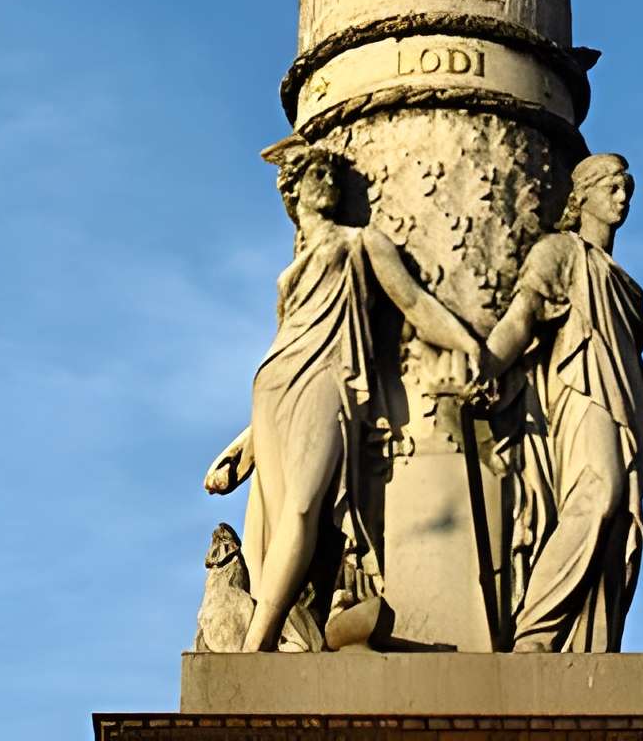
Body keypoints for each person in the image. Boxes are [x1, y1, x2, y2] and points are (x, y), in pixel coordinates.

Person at [203, 138, 485, 651]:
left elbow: (415, 304)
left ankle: (258, 643)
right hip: (274, 381)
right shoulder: (292, 269)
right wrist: (243, 445)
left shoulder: (361, 244)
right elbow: (288, 335)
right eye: (316, 175)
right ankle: (279, 636)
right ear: (292, 192)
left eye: (333, 175)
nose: (328, 183)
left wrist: (470, 345)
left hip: (329, 375)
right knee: (276, 516)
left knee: (307, 508)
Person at [481, 152, 643, 650]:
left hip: (629, 400)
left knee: (620, 519)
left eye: (627, 189)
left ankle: (589, 645)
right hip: (580, 389)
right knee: (596, 499)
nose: (621, 199)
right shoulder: (560, 253)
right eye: (612, 188)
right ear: (582, 197)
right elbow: (523, 316)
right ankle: (537, 631)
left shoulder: (625, 286)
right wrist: (485, 366)